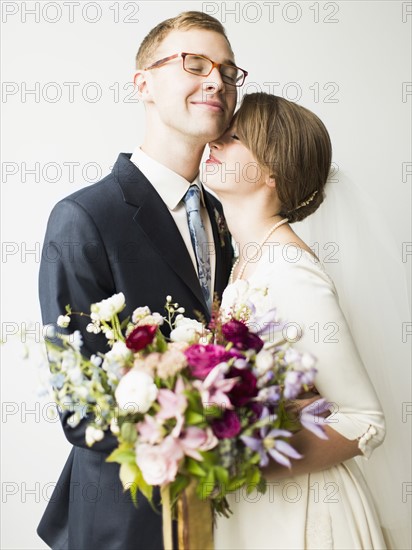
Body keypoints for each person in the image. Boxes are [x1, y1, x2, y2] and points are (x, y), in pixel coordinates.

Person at [37, 11, 245, 549]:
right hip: (123, 520)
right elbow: (81, 408)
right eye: (194, 64)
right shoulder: (83, 217)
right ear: (144, 83)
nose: (215, 80)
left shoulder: (230, 215)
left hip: (226, 512)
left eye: (227, 70)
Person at [203, 92, 388, 549]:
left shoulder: (291, 270)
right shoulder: (245, 260)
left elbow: (365, 419)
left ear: (271, 172)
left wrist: (248, 458)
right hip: (249, 510)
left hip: (303, 514)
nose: (216, 141)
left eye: (234, 136)